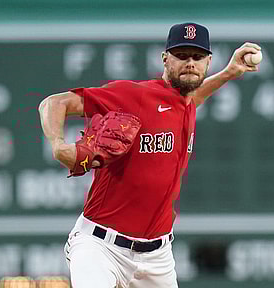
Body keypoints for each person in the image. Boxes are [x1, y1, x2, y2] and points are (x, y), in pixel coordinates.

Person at [38, 22, 260, 288]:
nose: (190, 62)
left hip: (157, 257)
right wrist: (58, 144)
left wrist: (229, 73)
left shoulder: (184, 103)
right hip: (100, 247)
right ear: (165, 59)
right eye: (182, 55)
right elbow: (54, 103)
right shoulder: (135, 95)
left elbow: (192, 97)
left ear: (208, 62)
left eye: (198, 57)